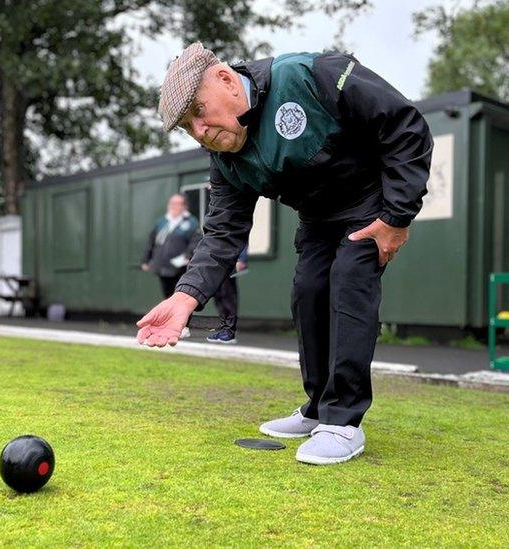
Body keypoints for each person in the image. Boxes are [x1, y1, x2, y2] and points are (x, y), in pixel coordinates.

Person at [136, 43, 432, 465]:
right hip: (317, 219)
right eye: (187, 127)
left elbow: (406, 127)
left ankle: (344, 422)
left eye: (199, 112)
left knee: (348, 285)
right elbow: (222, 233)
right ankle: (317, 409)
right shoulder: (224, 157)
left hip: (370, 206)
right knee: (308, 292)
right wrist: (185, 297)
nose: (199, 131)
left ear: (224, 78)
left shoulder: (313, 74)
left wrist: (397, 217)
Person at [141, 194, 202, 338]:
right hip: (163, 266)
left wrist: (188, 256)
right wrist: (146, 259)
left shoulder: (191, 222)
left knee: (182, 297)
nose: (174, 207)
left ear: (184, 206)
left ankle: (184, 326)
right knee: (168, 296)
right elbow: (151, 240)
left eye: (177, 204)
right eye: (172, 204)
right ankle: (170, 324)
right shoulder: (162, 221)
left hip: (180, 268)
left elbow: (195, 241)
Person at [206, 247, 247, 344]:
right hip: (215, 263)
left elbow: (242, 240)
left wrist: (241, 259)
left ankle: (229, 331)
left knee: (228, 297)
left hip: (229, 261)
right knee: (218, 297)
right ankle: (223, 329)